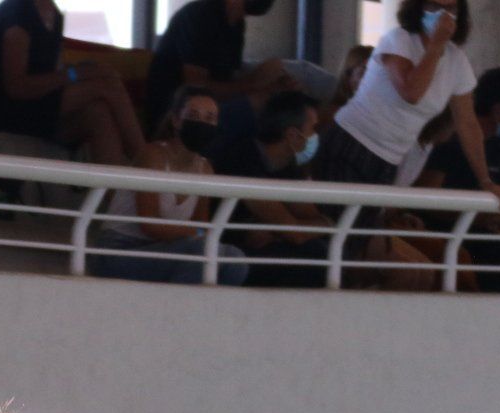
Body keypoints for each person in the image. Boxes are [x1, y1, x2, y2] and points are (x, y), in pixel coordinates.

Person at [314, 0, 500, 212]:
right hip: (351, 142)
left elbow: (468, 124)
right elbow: (411, 92)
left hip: (389, 158)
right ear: (418, 8)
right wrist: (436, 46)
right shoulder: (399, 39)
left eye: (450, 9)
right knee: (335, 226)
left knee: (362, 235)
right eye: (434, 7)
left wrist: (485, 181)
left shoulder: (456, 61)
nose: (443, 16)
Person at [91, 86, 249, 285]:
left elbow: (201, 226)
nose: (202, 123)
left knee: (235, 258)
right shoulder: (153, 155)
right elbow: (150, 225)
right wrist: (198, 234)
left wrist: (199, 234)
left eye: (210, 118)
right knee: (200, 252)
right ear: (176, 120)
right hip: (118, 251)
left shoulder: (205, 168)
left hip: (168, 250)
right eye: (194, 115)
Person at [0, 0, 145, 166]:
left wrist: (79, 72)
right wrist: (74, 74)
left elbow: (48, 74)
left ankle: (113, 194)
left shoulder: (55, 15)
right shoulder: (16, 15)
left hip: (36, 107)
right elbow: (16, 87)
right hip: (3, 112)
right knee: (106, 86)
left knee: (98, 113)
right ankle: (148, 162)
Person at [416, 67, 500, 295]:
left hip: (485, 236)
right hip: (447, 231)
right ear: (499, 111)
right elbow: (427, 198)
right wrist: (476, 216)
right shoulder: (449, 141)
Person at [211, 90, 334, 287]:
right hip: (225, 253)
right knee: (317, 258)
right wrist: (325, 225)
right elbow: (295, 232)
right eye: (313, 128)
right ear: (293, 135)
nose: (316, 136)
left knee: (323, 251)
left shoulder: (288, 167)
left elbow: (310, 217)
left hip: (261, 247)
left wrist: (278, 231)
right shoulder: (242, 159)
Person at [144, 0, 293, 143]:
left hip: (212, 107)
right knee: (257, 104)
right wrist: (253, 82)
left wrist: (271, 87)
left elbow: (230, 84)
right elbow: (195, 90)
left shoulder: (236, 25)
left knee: (287, 103)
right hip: (179, 113)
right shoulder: (199, 16)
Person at [319, 43, 374, 130]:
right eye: (363, 73)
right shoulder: (334, 115)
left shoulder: (381, 111)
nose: (371, 80)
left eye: (376, 74)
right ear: (348, 76)